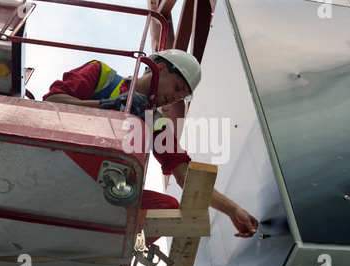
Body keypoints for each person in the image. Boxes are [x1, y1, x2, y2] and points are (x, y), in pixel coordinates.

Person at [43, 49, 258, 239]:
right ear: (161, 67)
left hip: (103, 191)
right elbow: (51, 105)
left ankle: (111, 249)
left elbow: (185, 176)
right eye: (177, 87)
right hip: (64, 164)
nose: (173, 99)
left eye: (179, 97)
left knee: (167, 208)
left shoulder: (155, 123)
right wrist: (108, 106)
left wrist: (234, 210)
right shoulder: (101, 74)